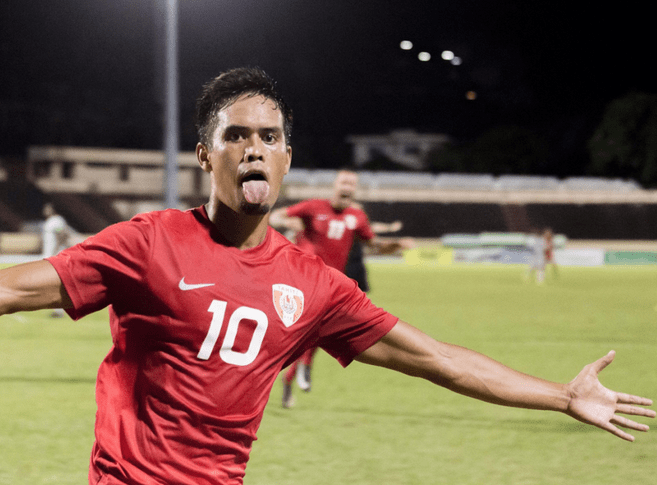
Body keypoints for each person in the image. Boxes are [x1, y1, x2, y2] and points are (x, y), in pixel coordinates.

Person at [0, 67, 653, 485]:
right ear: (204, 155)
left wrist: (561, 396)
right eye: (235, 135)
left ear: (286, 158)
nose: (253, 147)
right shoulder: (146, 243)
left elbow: (441, 360)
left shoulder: (312, 285)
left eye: (269, 137)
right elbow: (13, 287)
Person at [269, 170, 412, 406]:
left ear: (355, 189)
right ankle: (301, 367)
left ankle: (291, 377)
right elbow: (275, 216)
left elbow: (373, 245)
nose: (347, 186)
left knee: (313, 331)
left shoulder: (357, 216)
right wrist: (286, 221)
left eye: (352, 183)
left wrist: (396, 245)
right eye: (344, 182)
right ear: (335, 185)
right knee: (307, 330)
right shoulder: (313, 207)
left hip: (331, 284)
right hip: (303, 279)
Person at [41, 202, 74, 317]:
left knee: (58, 284)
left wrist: (56, 250)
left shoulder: (57, 221)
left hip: (56, 256)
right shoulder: (50, 221)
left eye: (48, 208)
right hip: (50, 256)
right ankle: (58, 309)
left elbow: (63, 234)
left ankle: (60, 310)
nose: (45, 210)